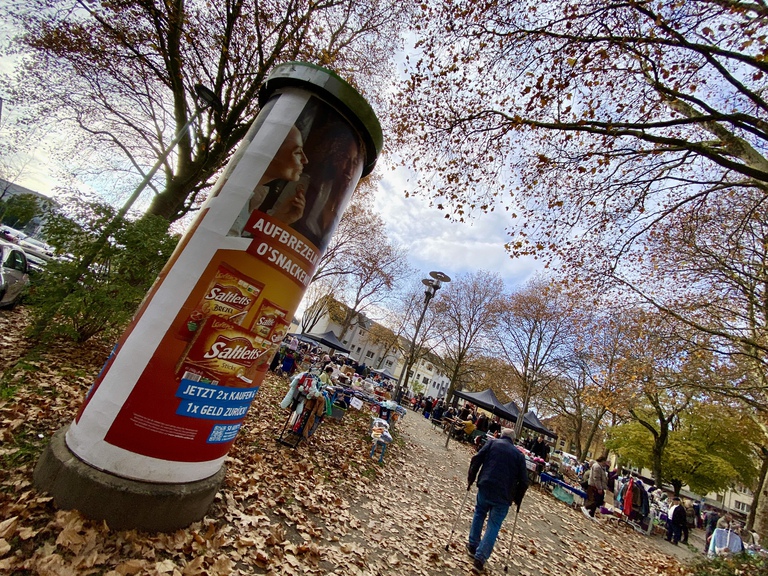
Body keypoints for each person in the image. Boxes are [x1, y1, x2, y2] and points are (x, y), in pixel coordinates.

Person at [466, 428, 528, 573]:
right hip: (504, 495)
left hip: (486, 485)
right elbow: (524, 482)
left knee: (479, 513)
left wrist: (471, 478)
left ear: (501, 436)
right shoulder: (519, 456)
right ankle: (479, 559)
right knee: (494, 525)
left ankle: (473, 545)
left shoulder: (492, 444)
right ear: (513, 440)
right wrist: (517, 499)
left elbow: (476, 459)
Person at [230, 124, 309, 236]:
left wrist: (279, 220)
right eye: (297, 152)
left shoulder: (249, 198)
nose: (305, 160)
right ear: (270, 152)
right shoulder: (232, 197)